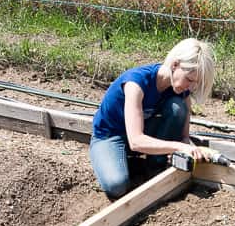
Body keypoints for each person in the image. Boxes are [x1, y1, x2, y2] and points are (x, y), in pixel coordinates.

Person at [89, 37, 216, 201]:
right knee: (117, 185)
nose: (191, 87)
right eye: (189, 80)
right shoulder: (136, 83)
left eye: (195, 84)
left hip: (140, 130)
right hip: (110, 135)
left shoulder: (179, 90)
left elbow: (184, 137)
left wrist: (190, 148)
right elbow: (136, 141)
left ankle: (154, 166)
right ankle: (118, 160)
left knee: (177, 108)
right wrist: (177, 147)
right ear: (175, 64)